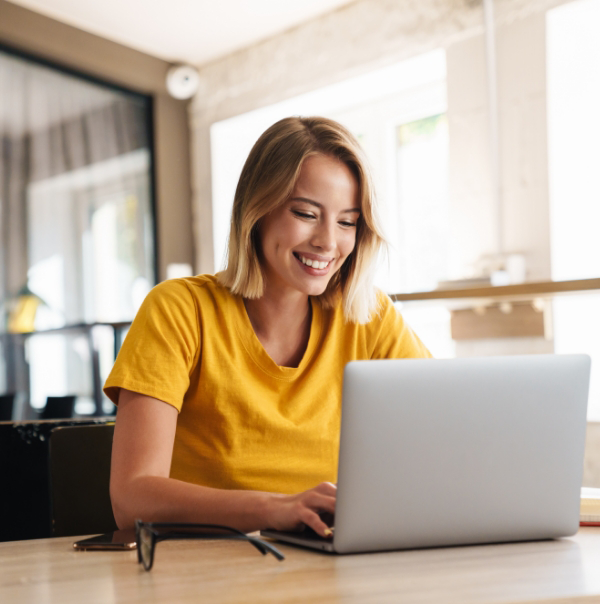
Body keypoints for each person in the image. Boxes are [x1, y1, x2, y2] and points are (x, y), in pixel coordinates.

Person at [105, 116, 431, 538]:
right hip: (204, 570)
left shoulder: (369, 317)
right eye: (306, 214)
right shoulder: (179, 310)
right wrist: (274, 508)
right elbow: (131, 500)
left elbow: (442, 440)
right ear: (257, 210)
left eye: (347, 222)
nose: (328, 242)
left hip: (329, 565)